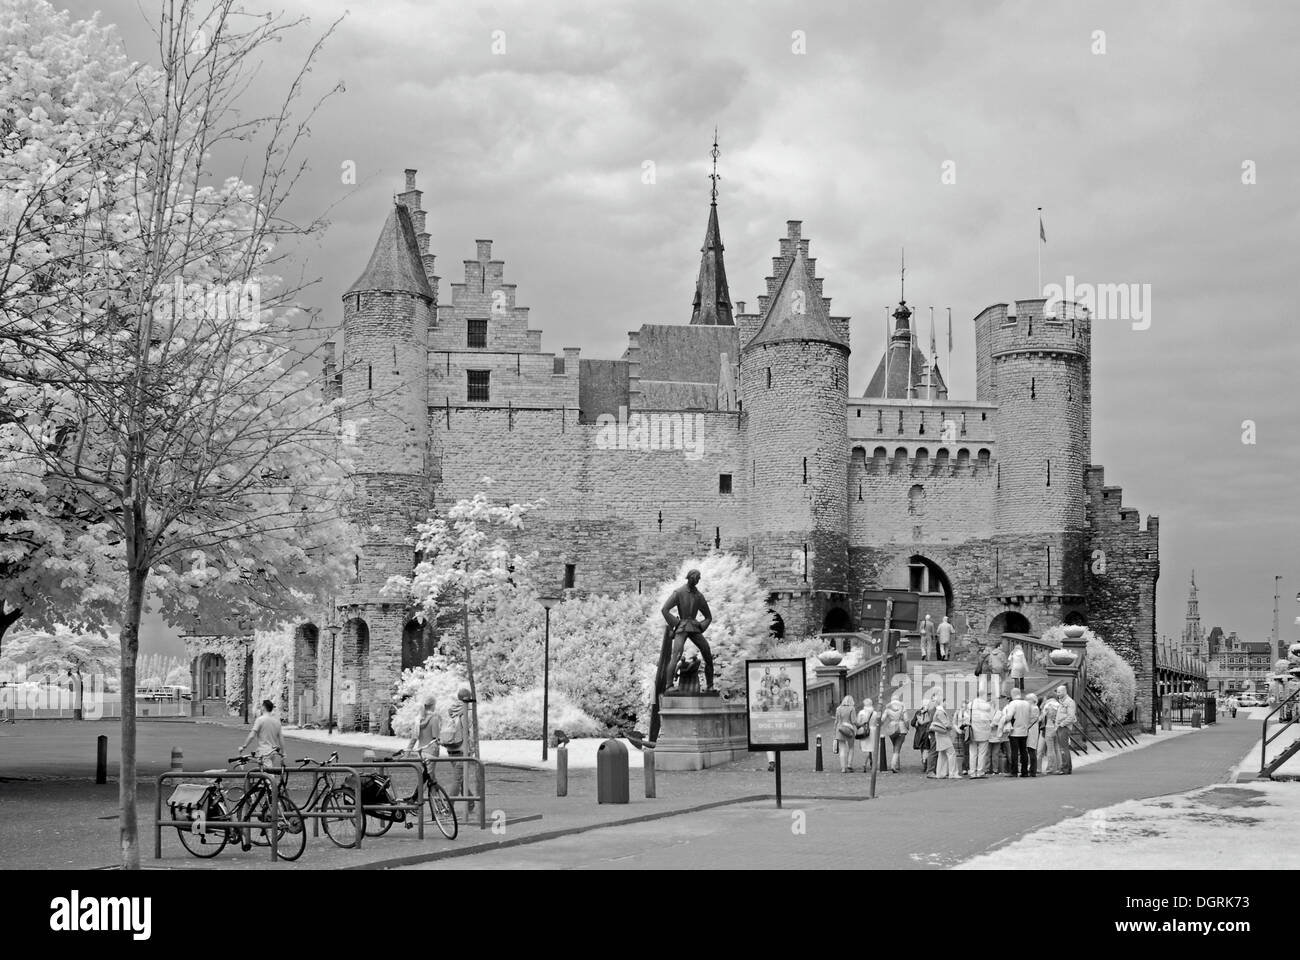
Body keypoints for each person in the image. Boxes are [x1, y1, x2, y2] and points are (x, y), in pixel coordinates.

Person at [441, 686, 476, 811]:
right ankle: (449, 807)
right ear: (468, 698)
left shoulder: (452, 710)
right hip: (462, 749)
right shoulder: (467, 712)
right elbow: (470, 731)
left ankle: (471, 801)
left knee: (460, 777)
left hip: (451, 748)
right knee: (457, 779)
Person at [238, 699, 284, 772]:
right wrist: (283, 753)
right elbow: (281, 738)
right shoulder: (277, 721)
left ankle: (269, 782)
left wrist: (244, 746)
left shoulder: (260, 720)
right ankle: (265, 782)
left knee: (268, 775)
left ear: (263, 707)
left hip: (264, 752)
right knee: (264, 772)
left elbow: (252, 735)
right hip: (273, 751)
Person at [407, 693, 441, 779]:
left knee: (430, 777)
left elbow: (414, 738)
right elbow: (435, 738)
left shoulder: (418, 719)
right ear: (433, 705)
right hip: (431, 752)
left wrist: (408, 752)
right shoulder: (434, 718)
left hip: (420, 752)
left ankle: (432, 792)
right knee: (428, 776)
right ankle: (417, 792)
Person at [929, 695, 960, 779]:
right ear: (942, 702)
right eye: (945, 701)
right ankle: (952, 773)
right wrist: (953, 726)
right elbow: (946, 724)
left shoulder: (938, 711)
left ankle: (941, 773)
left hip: (940, 735)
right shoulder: (940, 711)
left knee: (942, 754)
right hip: (943, 735)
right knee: (951, 753)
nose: (947, 703)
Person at [1005, 689, 1032, 777]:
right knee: (1024, 751)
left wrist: (1003, 719)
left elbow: (1009, 717)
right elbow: (1030, 716)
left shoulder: (1013, 703)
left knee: (1014, 752)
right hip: (1024, 730)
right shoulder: (1027, 703)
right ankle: (1024, 771)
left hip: (1014, 731)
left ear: (1013, 694)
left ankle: (1014, 771)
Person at [967, 691, 993, 778]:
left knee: (972, 753)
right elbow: (990, 718)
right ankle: (980, 771)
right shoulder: (987, 705)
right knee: (982, 753)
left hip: (973, 732)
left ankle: (972, 772)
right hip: (984, 732)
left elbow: (967, 718)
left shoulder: (970, 704)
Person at [881, 697, 908, 772]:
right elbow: (906, 719)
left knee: (895, 746)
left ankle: (897, 765)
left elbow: (883, 719)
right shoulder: (902, 707)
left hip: (892, 727)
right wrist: (907, 727)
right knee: (897, 748)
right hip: (901, 727)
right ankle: (893, 765)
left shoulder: (888, 707)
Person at [1055, 684, 1076, 775]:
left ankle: (1065, 768)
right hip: (1060, 727)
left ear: (1064, 691)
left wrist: (1062, 724)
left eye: (1059, 692)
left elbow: (1071, 717)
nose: (1058, 694)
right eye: (1057, 692)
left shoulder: (1069, 702)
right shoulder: (1061, 701)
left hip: (1064, 727)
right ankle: (1067, 768)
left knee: (1063, 748)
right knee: (1063, 748)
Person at [911, 696, 935, 774]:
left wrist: (917, 726)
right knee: (927, 749)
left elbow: (912, 723)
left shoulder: (918, 712)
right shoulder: (930, 712)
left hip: (919, 734)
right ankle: (926, 764)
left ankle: (924, 763)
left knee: (923, 749)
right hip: (927, 733)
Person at [834, 695, 857, 773]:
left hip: (840, 729)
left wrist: (835, 731)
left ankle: (843, 768)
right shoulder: (851, 708)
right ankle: (849, 765)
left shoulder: (838, 709)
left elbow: (836, 721)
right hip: (849, 729)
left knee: (842, 749)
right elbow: (853, 721)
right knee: (851, 747)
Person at [987, 696, 1009, 775]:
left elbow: (1003, 723)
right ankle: (987, 769)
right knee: (988, 753)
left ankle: (995, 769)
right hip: (988, 736)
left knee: (995, 754)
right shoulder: (986, 713)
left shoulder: (999, 713)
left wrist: (997, 724)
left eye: (991, 704)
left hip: (997, 735)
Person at [1040, 690, 1060, 774]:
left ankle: (1051, 768)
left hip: (1049, 727)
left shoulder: (1048, 705)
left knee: (1050, 749)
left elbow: (1041, 717)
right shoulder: (1059, 705)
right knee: (1057, 749)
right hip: (1058, 728)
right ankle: (1059, 767)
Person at [1024, 692, 1041, 777]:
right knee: (1030, 749)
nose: (1026, 701)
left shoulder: (1034, 708)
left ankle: (1033, 770)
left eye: (1028, 700)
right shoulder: (1032, 708)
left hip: (1032, 730)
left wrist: (1025, 726)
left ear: (1032, 700)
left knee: (1031, 749)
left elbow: (1032, 720)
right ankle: (1031, 769)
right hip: (1031, 730)